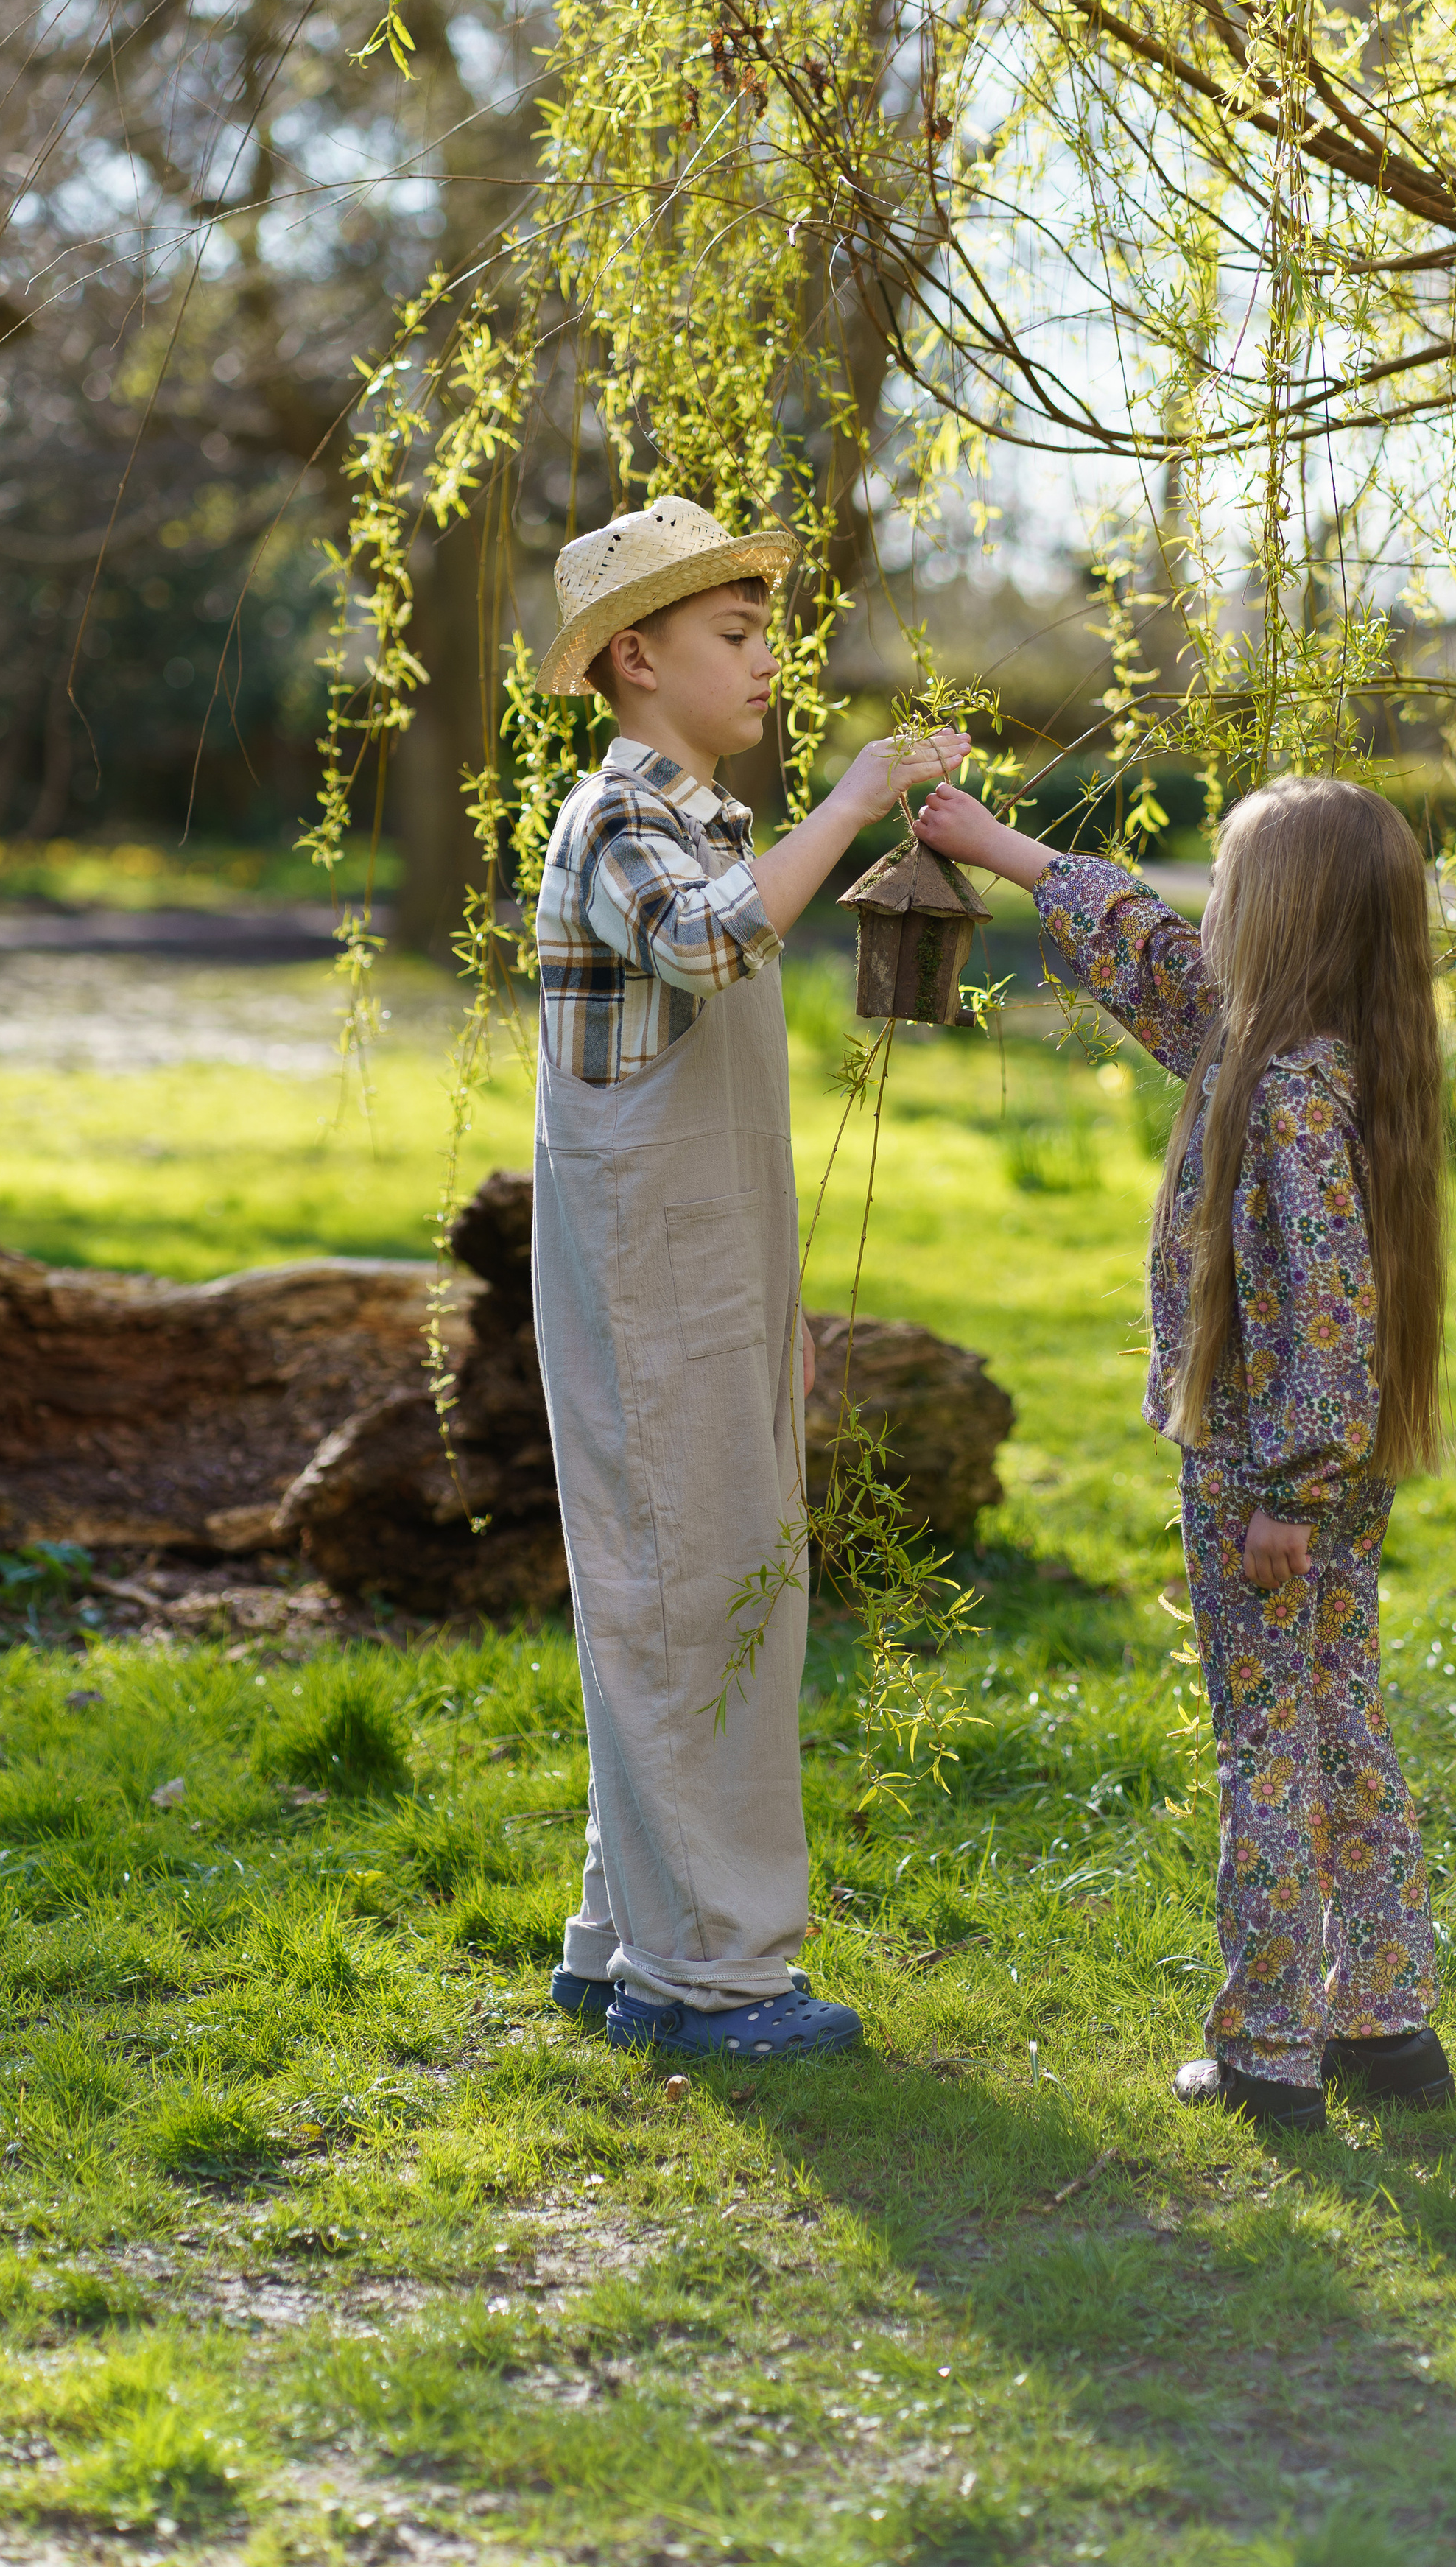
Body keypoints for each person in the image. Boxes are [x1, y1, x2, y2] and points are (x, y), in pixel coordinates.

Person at [912, 772, 1454, 2132]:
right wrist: (1007, 851)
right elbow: (1151, 958)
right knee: (1338, 1719)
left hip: (1273, 1469)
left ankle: (1271, 2052)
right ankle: (1389, 2030)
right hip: (1326, 1463)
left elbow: (1328, 1315)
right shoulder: (1319, 1050)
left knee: (1265, 1743)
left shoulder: (1283, 1095)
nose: (1208, 910)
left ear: (1280, 913)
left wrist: (1284, 1492)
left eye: (1229, 882)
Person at [531, 495, 968, 2062]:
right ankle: (707, 1977)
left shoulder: (707, 824)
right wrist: (855, 800)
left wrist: (777, 1307)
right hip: (647, 1286)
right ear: (636, 659)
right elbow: (707, 950)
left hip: (710, 1282)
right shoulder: (617, 825)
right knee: (682, 1592)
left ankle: (619, 1939)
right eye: (735, 634)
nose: (768, 659)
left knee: (703, 1583)